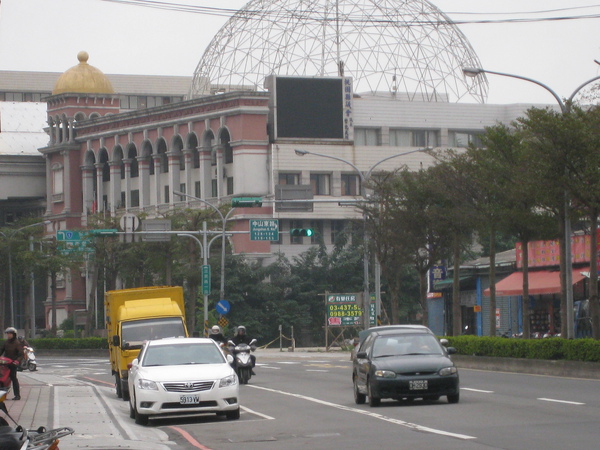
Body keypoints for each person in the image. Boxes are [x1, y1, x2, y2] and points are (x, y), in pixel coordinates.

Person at [0, 327, 23, 400]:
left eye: (10, 334)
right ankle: (2, 394)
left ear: (14, 334)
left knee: (13, 378)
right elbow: (1, 350)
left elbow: (21, 354)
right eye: (8, 334)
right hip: (5, 363)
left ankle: (17, 395)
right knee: (2, 378)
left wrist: (17, 361)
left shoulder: (17, 343)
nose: (9, 335)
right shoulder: (6, 342)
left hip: (12, 363)